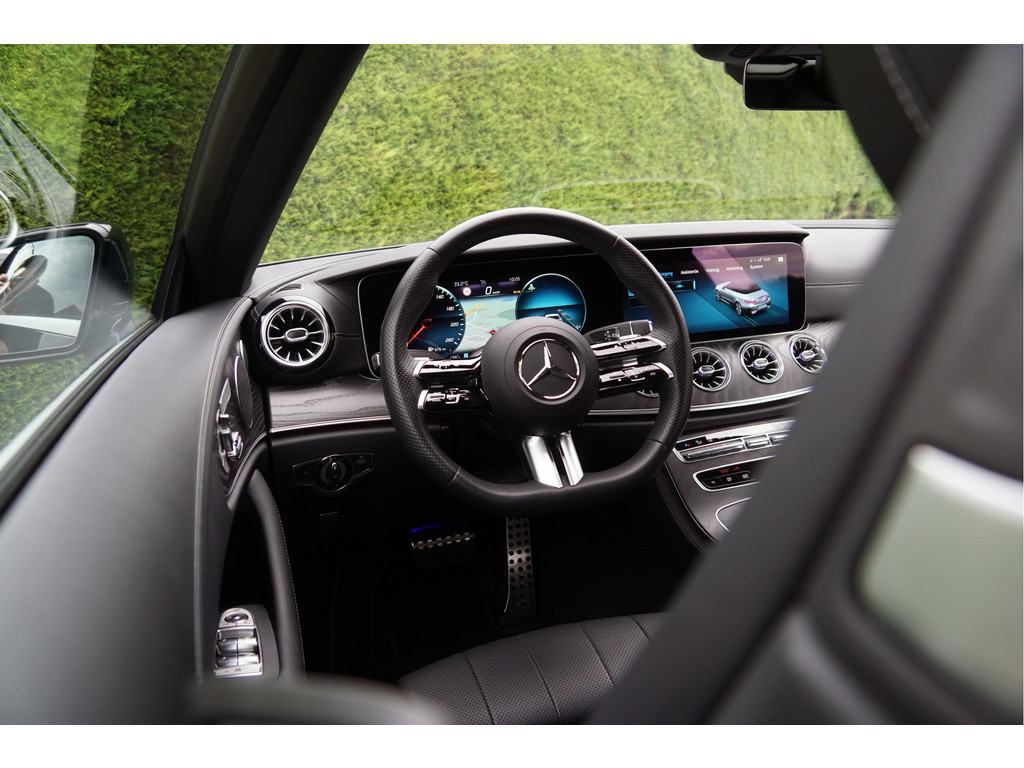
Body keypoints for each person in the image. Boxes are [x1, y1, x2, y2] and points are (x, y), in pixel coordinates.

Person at [0, 253, 55, 353]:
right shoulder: (6, 289)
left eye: (22, 280)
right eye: (14, 277)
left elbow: (18, 348)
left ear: (34, 282)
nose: (13, 282)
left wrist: (3, 315)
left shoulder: (42, 301)